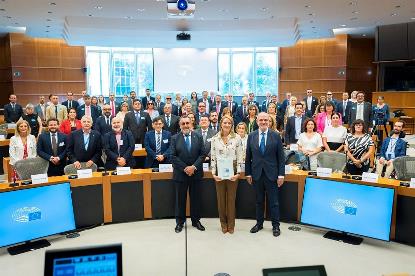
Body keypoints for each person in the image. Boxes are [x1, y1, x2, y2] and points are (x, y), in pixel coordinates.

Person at [245, 112, 285, 237]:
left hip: (272, 174)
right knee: (258, 201)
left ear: (269, 121)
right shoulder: (251, 136)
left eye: (265, 120)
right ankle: (259, 223)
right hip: (256, 174)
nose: (263, 122)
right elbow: (248, 157)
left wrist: (281, 175)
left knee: (274, 202)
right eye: (261, 120)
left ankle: (276, 226)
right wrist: (248, 173)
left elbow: (281, 158)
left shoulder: (276, 136)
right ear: (257, 121)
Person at [171, 115, 206, 233]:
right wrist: (186, 168)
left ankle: (196, 221)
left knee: (196, 199)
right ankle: (179, 223)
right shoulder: (174, 138)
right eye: (183, 124)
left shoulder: (198, 137)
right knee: (180, 200)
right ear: (180, 125)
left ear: (191, 124)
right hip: (181, 174)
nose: (185, 125)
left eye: (187, 123)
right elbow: (173, 156)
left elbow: (202, 154)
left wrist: (193, 167)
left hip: (196, 174)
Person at [210, 115, 243, 234]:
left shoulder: (237, 138)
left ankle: (231, 224)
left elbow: (240, 156)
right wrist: (213, 173)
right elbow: (213, 157)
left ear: (232, 125)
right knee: (221, 199)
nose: (227, 125)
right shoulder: (214, 138)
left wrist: (238, 172)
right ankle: (223, 224)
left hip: (232, 170)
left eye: (229, 123)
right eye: (225, 123)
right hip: (219, 170)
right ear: (221, 124)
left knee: (231, 199)